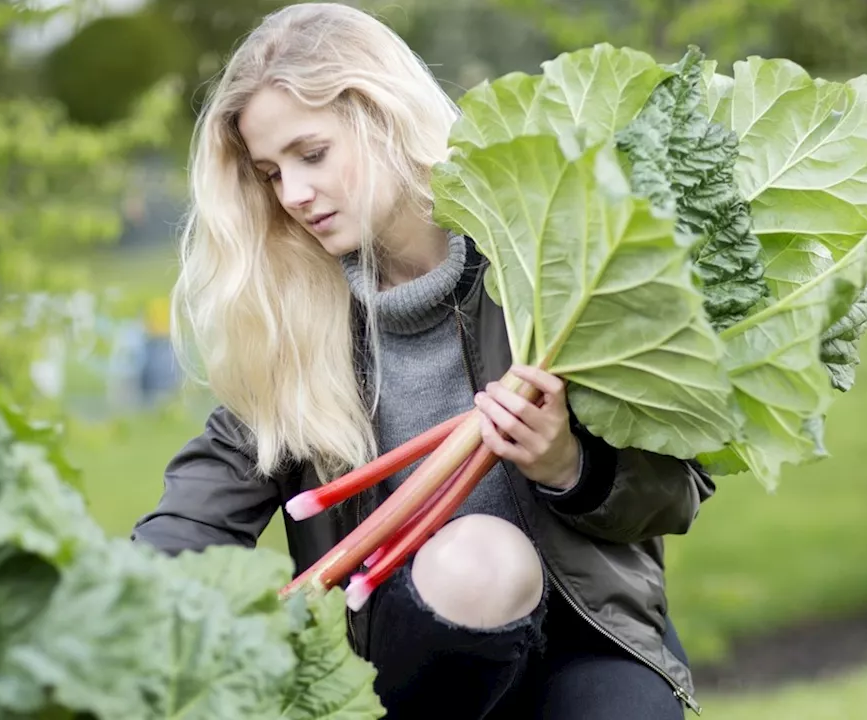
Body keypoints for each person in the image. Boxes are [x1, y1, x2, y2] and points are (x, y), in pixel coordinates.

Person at [131, 4, 715, 718]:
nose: (294, 194)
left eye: (311, 154)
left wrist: (569, 464)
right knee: (479, 560)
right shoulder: (299, 326)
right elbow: (200, 509)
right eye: (270, 173)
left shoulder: (546, 266)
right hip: (414, 662)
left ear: (384, 117)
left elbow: (676, 484)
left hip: (586, 635)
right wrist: (104, 602)